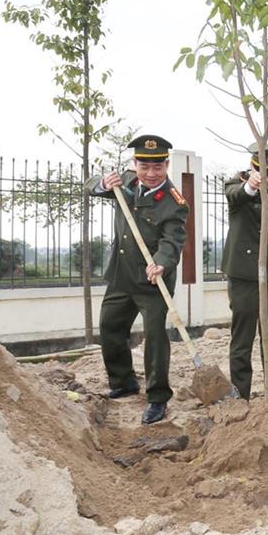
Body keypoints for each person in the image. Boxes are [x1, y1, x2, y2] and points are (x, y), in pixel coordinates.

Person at [86, 135, 189, 424]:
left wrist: (162, 263)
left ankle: (157, 398)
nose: (151, 173)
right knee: (110, 325)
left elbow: (173, 240)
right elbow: (90, 186)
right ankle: (123, 381)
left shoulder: (175, 202)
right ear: (135, 164)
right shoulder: (127, 182)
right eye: (145, 166)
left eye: (158, 167)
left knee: (155, 338)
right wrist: (102, 184)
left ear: (167, 165)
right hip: (121, 275)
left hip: (153, 281)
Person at [221, 143, 268, 399]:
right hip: (244, 274)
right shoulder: (237, 184)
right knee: (243, 336)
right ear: (253, 167)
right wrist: (251, 184)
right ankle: (241, 394)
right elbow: (235, 195)